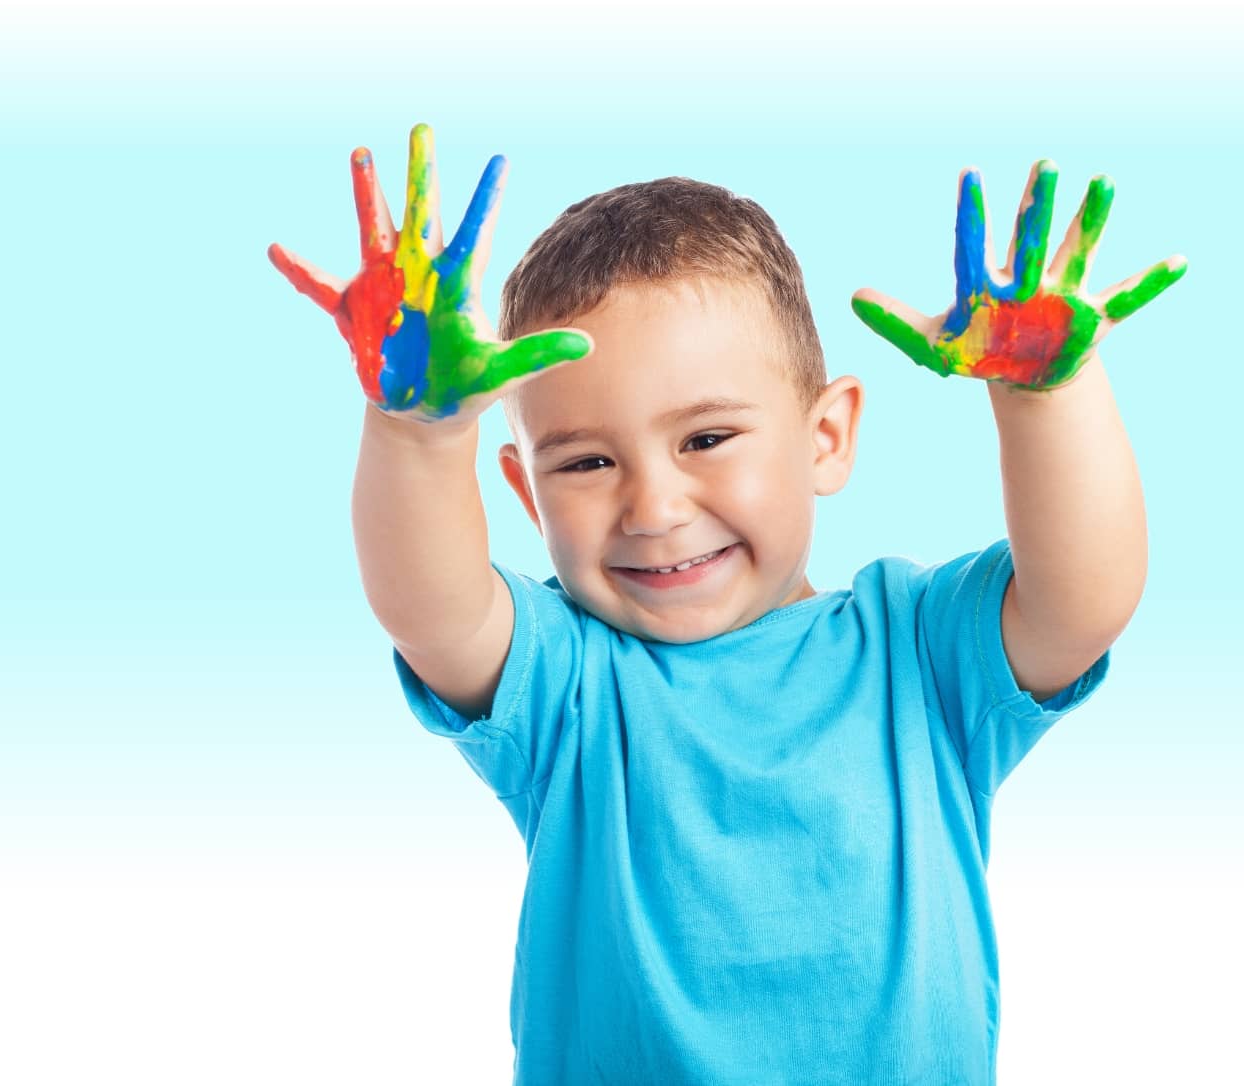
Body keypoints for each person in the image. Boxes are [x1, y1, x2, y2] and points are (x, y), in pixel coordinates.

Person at [267, 124, 1185, 1084]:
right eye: (585, 462)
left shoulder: (918, 652)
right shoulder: (568, 682)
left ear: (825, 438)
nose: (655, 509)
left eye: (705, 439)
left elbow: (1084, 600)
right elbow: (429, 606)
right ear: (525, 494)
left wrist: (1048, 396)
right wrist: (416, 430)